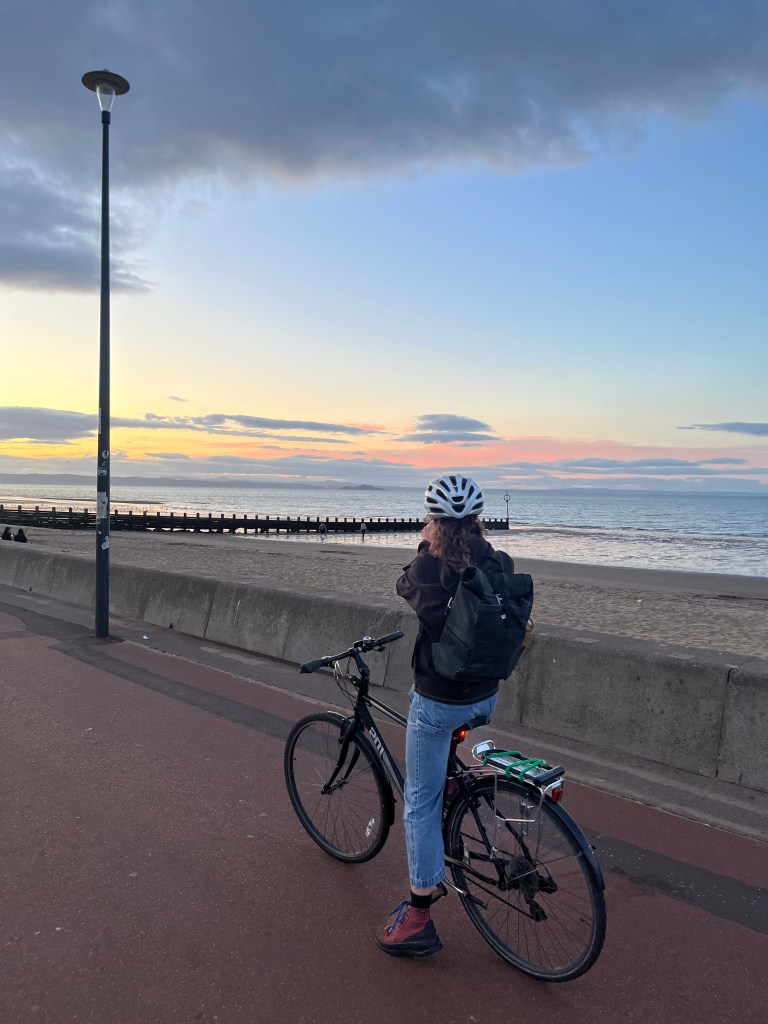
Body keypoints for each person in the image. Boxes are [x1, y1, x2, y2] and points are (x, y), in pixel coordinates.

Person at [376, 473, 510, 959]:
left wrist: (421, 552)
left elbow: (406, 589)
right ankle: (452, 782)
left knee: (420, 803)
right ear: (477, 520)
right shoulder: (499, 560)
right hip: (486, 694)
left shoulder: (427, 566)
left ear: (433, 520)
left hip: (439, 700)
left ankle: (417, 916)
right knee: (438, 768)